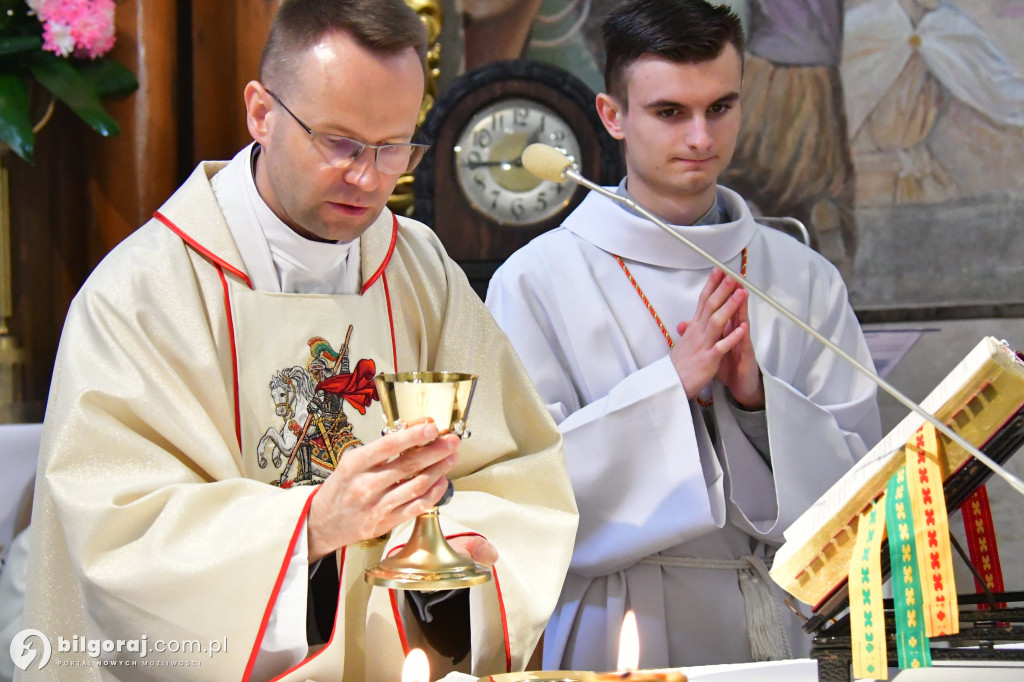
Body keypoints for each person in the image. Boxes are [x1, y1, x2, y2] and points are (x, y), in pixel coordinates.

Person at [20, 1, 577, 680]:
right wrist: (313, 525)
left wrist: (444, 550)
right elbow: (121, 543)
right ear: (260, 112)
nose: (370, 178)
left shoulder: (419, 270)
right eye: (339, 142)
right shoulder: (141, 298)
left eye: (394, 145)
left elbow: (520, 479)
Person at [486, 0, 881, 670]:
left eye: (720, 107)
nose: (701, 137)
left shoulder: (803, 278)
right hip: (616, 624)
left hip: (776, 622)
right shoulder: (536, 282)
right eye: (670, 112)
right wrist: (671, 384)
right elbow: (524, 493)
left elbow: (862, 484)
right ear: (614, 115)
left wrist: (759, 405)